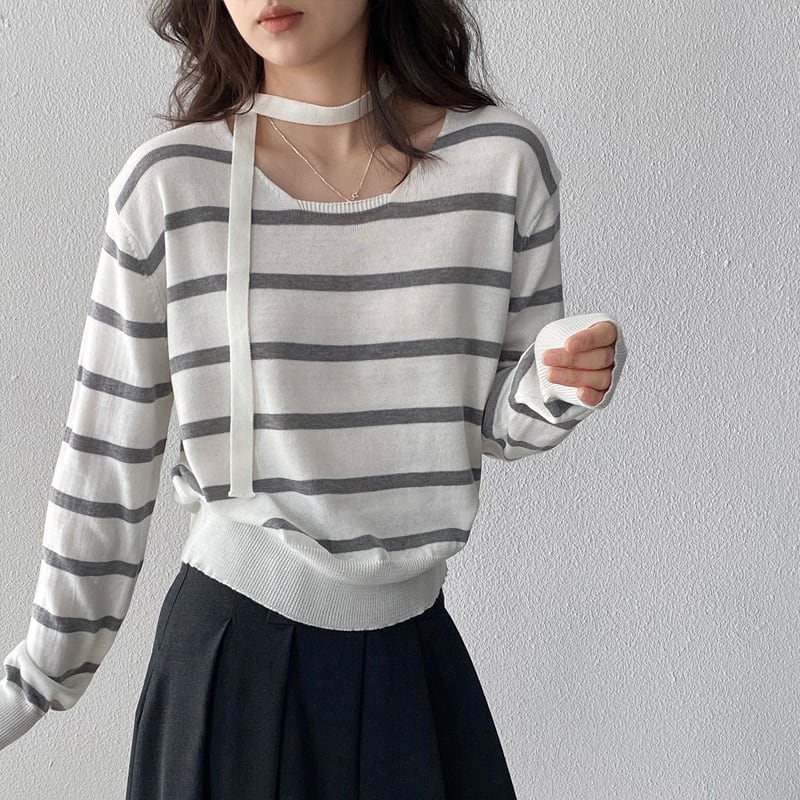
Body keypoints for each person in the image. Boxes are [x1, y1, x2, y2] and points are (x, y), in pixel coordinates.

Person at [0, 0, 628, 796]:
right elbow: (105, 458)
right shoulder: (172, 184)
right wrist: (34, 680)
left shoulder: (501, 163)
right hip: (231, 665)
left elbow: (500, 423)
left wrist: (561, 381)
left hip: (415, 659)